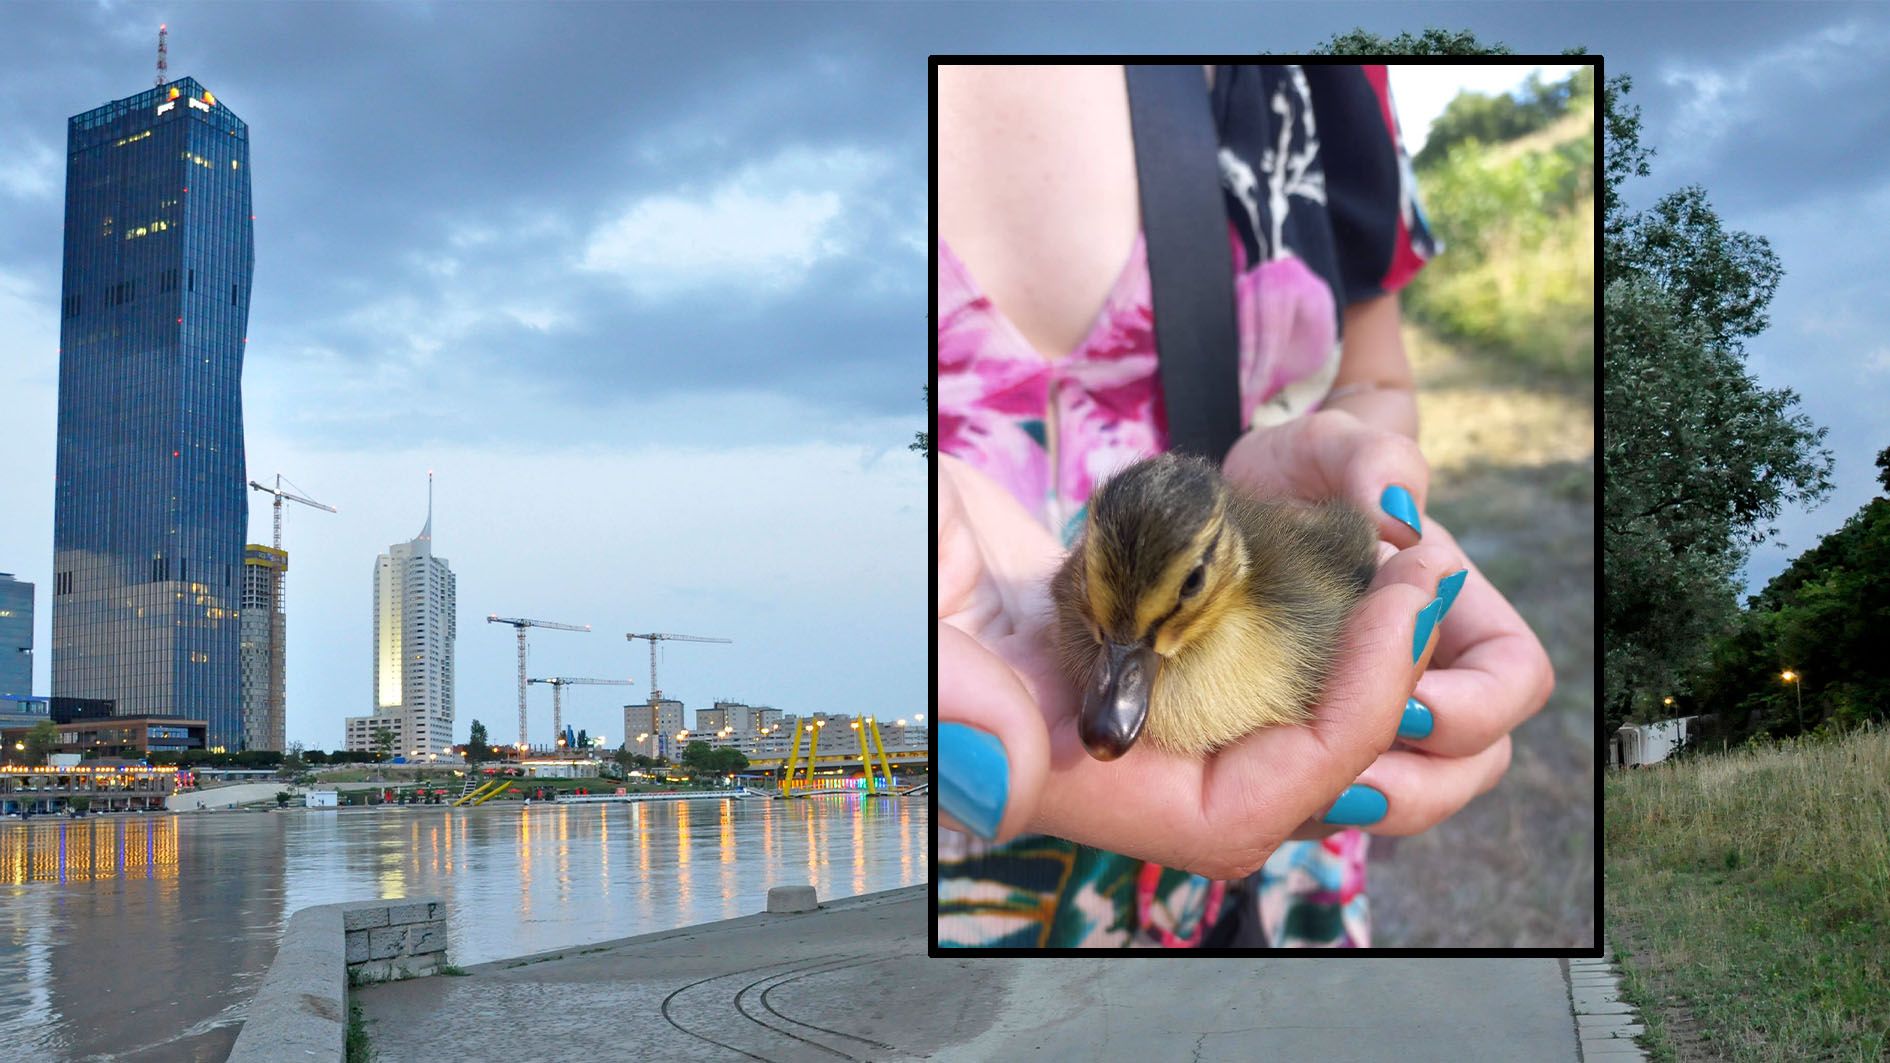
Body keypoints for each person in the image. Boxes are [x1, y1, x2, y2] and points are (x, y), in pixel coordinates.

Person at [936, 64, 1554, 948]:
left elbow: (1373, 377)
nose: (1120, 677)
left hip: (1273, 856)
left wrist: (1356, 468)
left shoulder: (1326, 76)